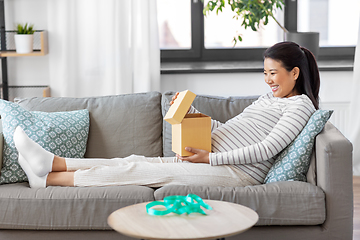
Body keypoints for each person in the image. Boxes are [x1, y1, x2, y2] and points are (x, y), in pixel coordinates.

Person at [14, 41, 320, 188]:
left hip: (235, 173)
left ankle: (49, 180)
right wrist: (195, 115)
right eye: (264, 73)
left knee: (133, 174)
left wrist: (208, 159)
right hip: (210, 153)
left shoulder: (300, 106)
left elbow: (267, 148)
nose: (267, 80)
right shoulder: (269, 97)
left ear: (294, 73)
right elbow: (232, 128)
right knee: (133, 161)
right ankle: (52, 163)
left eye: (273, 73)